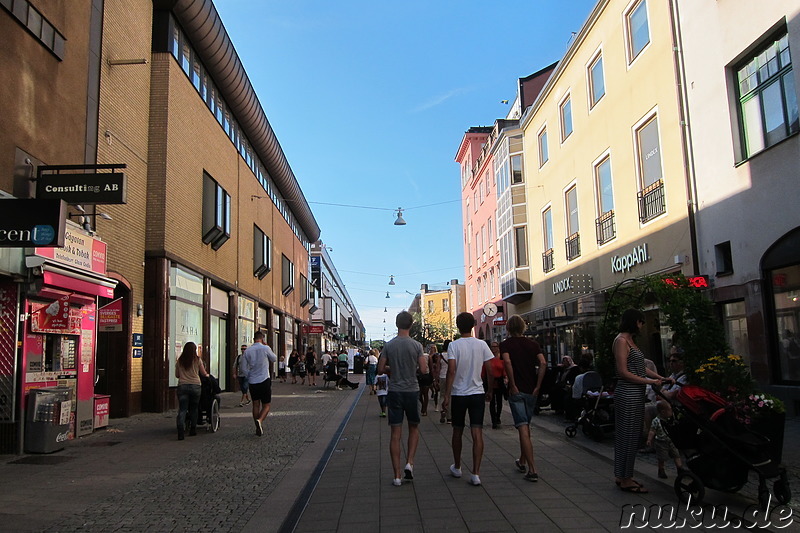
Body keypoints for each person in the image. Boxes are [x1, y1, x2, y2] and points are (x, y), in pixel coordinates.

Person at [613, 309, 671, 493]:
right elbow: (623, 372)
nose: (642, 325)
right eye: (640, 322)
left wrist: (660, 378)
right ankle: (625, 478)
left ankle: (623, 475)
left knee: (631, 435)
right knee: (628, 436)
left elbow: (641, 368)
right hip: (628, 393)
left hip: (636, 393)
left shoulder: (630, 341)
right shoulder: (621, 341)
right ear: (634, 322)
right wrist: (650, 382)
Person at [443, 313, 494, 486]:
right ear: (473, 325)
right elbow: (489, 369)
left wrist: (447, 395)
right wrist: (490, 390)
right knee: (477, 431)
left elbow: (451, 371)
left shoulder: (453, 346)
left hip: (459, 394)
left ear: (457, 326)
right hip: (477, 392)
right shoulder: (482, 345)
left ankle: (457, 467)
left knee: (457, 430)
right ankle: (476, 473)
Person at [377, 311, 427, 487]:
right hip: (412, 391)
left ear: (396, 324)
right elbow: (424, 369)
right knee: (414, 428)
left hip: (395, 392)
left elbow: (380, 369)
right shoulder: (416, 346)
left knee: (395, 434)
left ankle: (397, 475)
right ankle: (410, 462)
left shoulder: (389, 346)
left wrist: (393, 369)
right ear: (411, 325)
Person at [501, 315, 547, 482]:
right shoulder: (533, 344)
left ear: (508, 328)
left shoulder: (506, 344)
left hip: (517, 391)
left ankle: (533, 469)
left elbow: (507, 362)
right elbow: (542, 363)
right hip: (531, 390)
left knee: (522, 427)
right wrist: (538, 385)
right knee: (526, 427)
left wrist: (512, 384)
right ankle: (522, 460)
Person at [240, 331, 278, 436]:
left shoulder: (247, 351)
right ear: (263, 339)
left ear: (254, 339)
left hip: (253, 381)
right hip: (264, 379)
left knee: (255, 404)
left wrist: (250, 375)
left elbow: (243, 368)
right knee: (266, 405)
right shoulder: (265, 348)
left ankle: (257, 426)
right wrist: (268, 347)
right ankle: (260, 421)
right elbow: (274, 358)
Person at [175, 341, 209, 440]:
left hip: (183, 386)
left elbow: (177, 375)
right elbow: (203, 373)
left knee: (182, 409)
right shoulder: (197, 360)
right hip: (195, 386)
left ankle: (180, 429)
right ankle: (193, 429)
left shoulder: (180, 361)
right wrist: (207, 376)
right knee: (194, 408)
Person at [647, 400, 684, 479]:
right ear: (663, 412)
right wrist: (649, 439)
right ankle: (661, 470)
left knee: (676, 455)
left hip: (671, 441)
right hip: (661, 442)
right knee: (662, 458)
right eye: (670, 410)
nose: (671, 412)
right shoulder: (656, 421)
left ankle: (680, 469)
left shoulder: (671, 419)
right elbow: (652, 430)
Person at [484, 340, 507, 429]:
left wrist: (505, 377)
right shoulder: (488, 358)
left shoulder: (501, 358)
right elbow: (484, 370)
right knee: (492, 402)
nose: (493, 348)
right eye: (492, 347)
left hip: (499, 381)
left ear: (498, 348)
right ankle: (493, 420)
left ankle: (498, 417)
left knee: (499, 401)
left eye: (495, 347)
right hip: (490, 381)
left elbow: (504, 368)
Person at [418, 345, 435, 416]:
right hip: (423, 376)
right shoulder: (426, 356)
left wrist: (433, 377)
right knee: (421, 394)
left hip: (424, 376)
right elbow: (431, 368)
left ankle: (424, 409)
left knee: (423, 393)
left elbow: (431, 367)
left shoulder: (427, 356)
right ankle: (423, 406)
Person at [438, 339, 451, 424]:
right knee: (449, 396)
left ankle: (442, 410)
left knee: (442, 395)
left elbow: (438, 368)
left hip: (442, 376)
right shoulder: (452, 355)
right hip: (450, 377)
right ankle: (449, 417)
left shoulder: (440, 355)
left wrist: (436, 379)